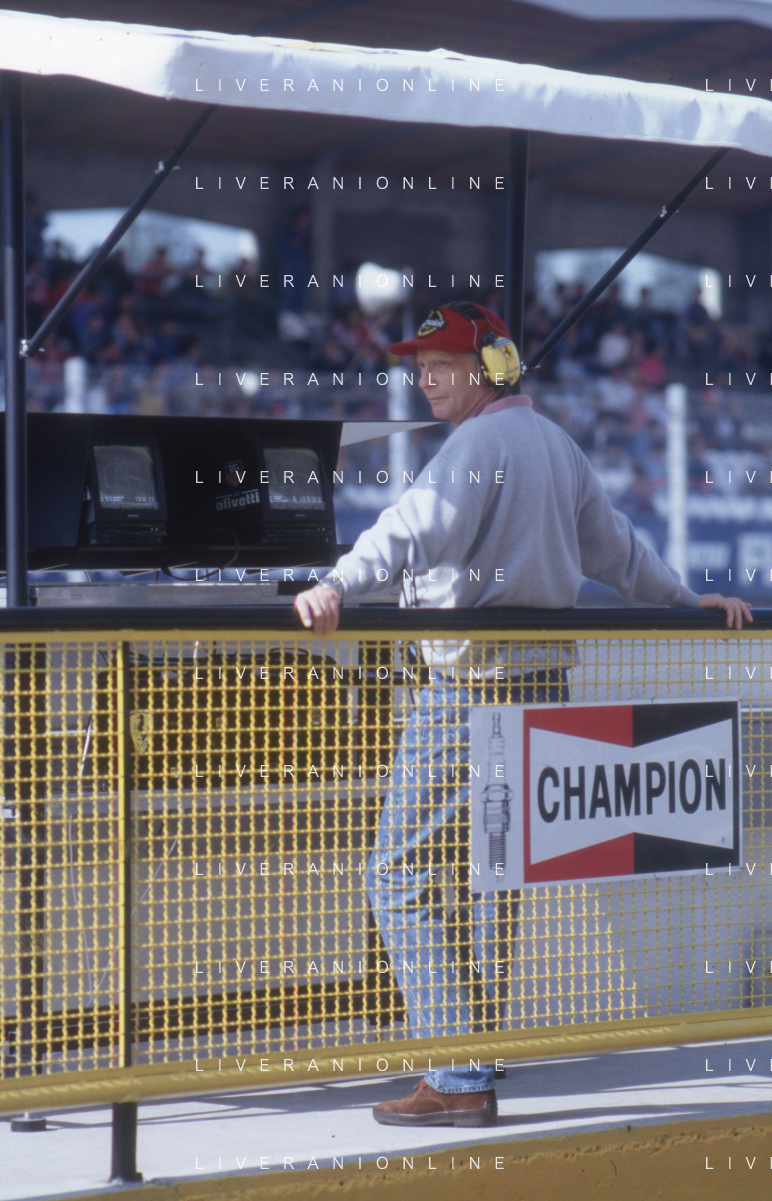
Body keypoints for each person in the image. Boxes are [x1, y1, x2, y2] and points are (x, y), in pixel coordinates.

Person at [294, 301, 751, 1129]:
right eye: (420, 365)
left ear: (488, 368)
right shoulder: (554, 442)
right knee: (492, 875)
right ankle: (480, 1053)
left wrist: (335, 584)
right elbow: (617, 550)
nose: (425, 378)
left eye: (441, 364)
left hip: (467, 687)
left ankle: (458, 1075)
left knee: (395, 875)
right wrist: (688, 599)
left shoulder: (476, 446)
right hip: (540, 687)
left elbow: (406, 530)